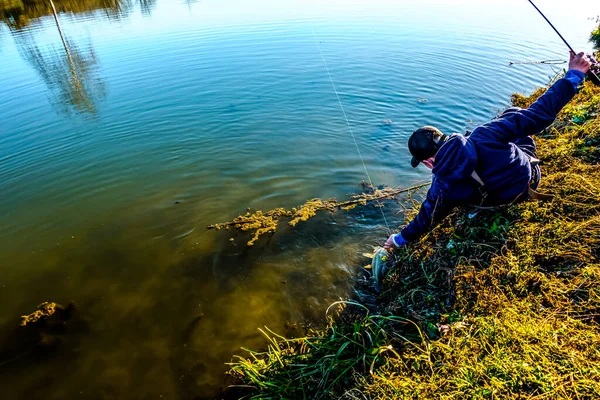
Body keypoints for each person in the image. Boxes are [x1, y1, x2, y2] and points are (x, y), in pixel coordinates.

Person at [383, 52, 592, 253]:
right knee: (514, 114)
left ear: (429, 162)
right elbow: (539, 114)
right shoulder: (484, 134)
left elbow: (425, 218)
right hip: (529, 183)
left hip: (498, 202)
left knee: (508, 122)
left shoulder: (441, 186)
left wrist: (398, 239)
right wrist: (573, 75)